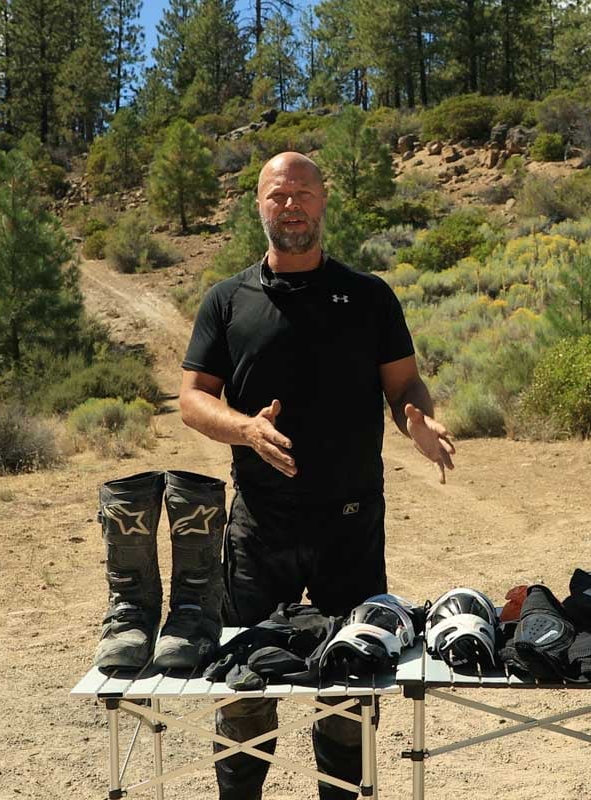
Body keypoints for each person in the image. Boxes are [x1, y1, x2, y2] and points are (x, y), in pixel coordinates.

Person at [178, 151, 456, 800]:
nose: (291, 205)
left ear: (324, 201)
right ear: (258, 205)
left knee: (351, 685)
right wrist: (245, 428)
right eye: (278, 195)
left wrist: (416, 418)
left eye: (303, 192)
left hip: (350, 527)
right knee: (247, 684)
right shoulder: (226, 301)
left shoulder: (370, 297)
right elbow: (193, 399)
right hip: (259, 528)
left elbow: (404, 383)